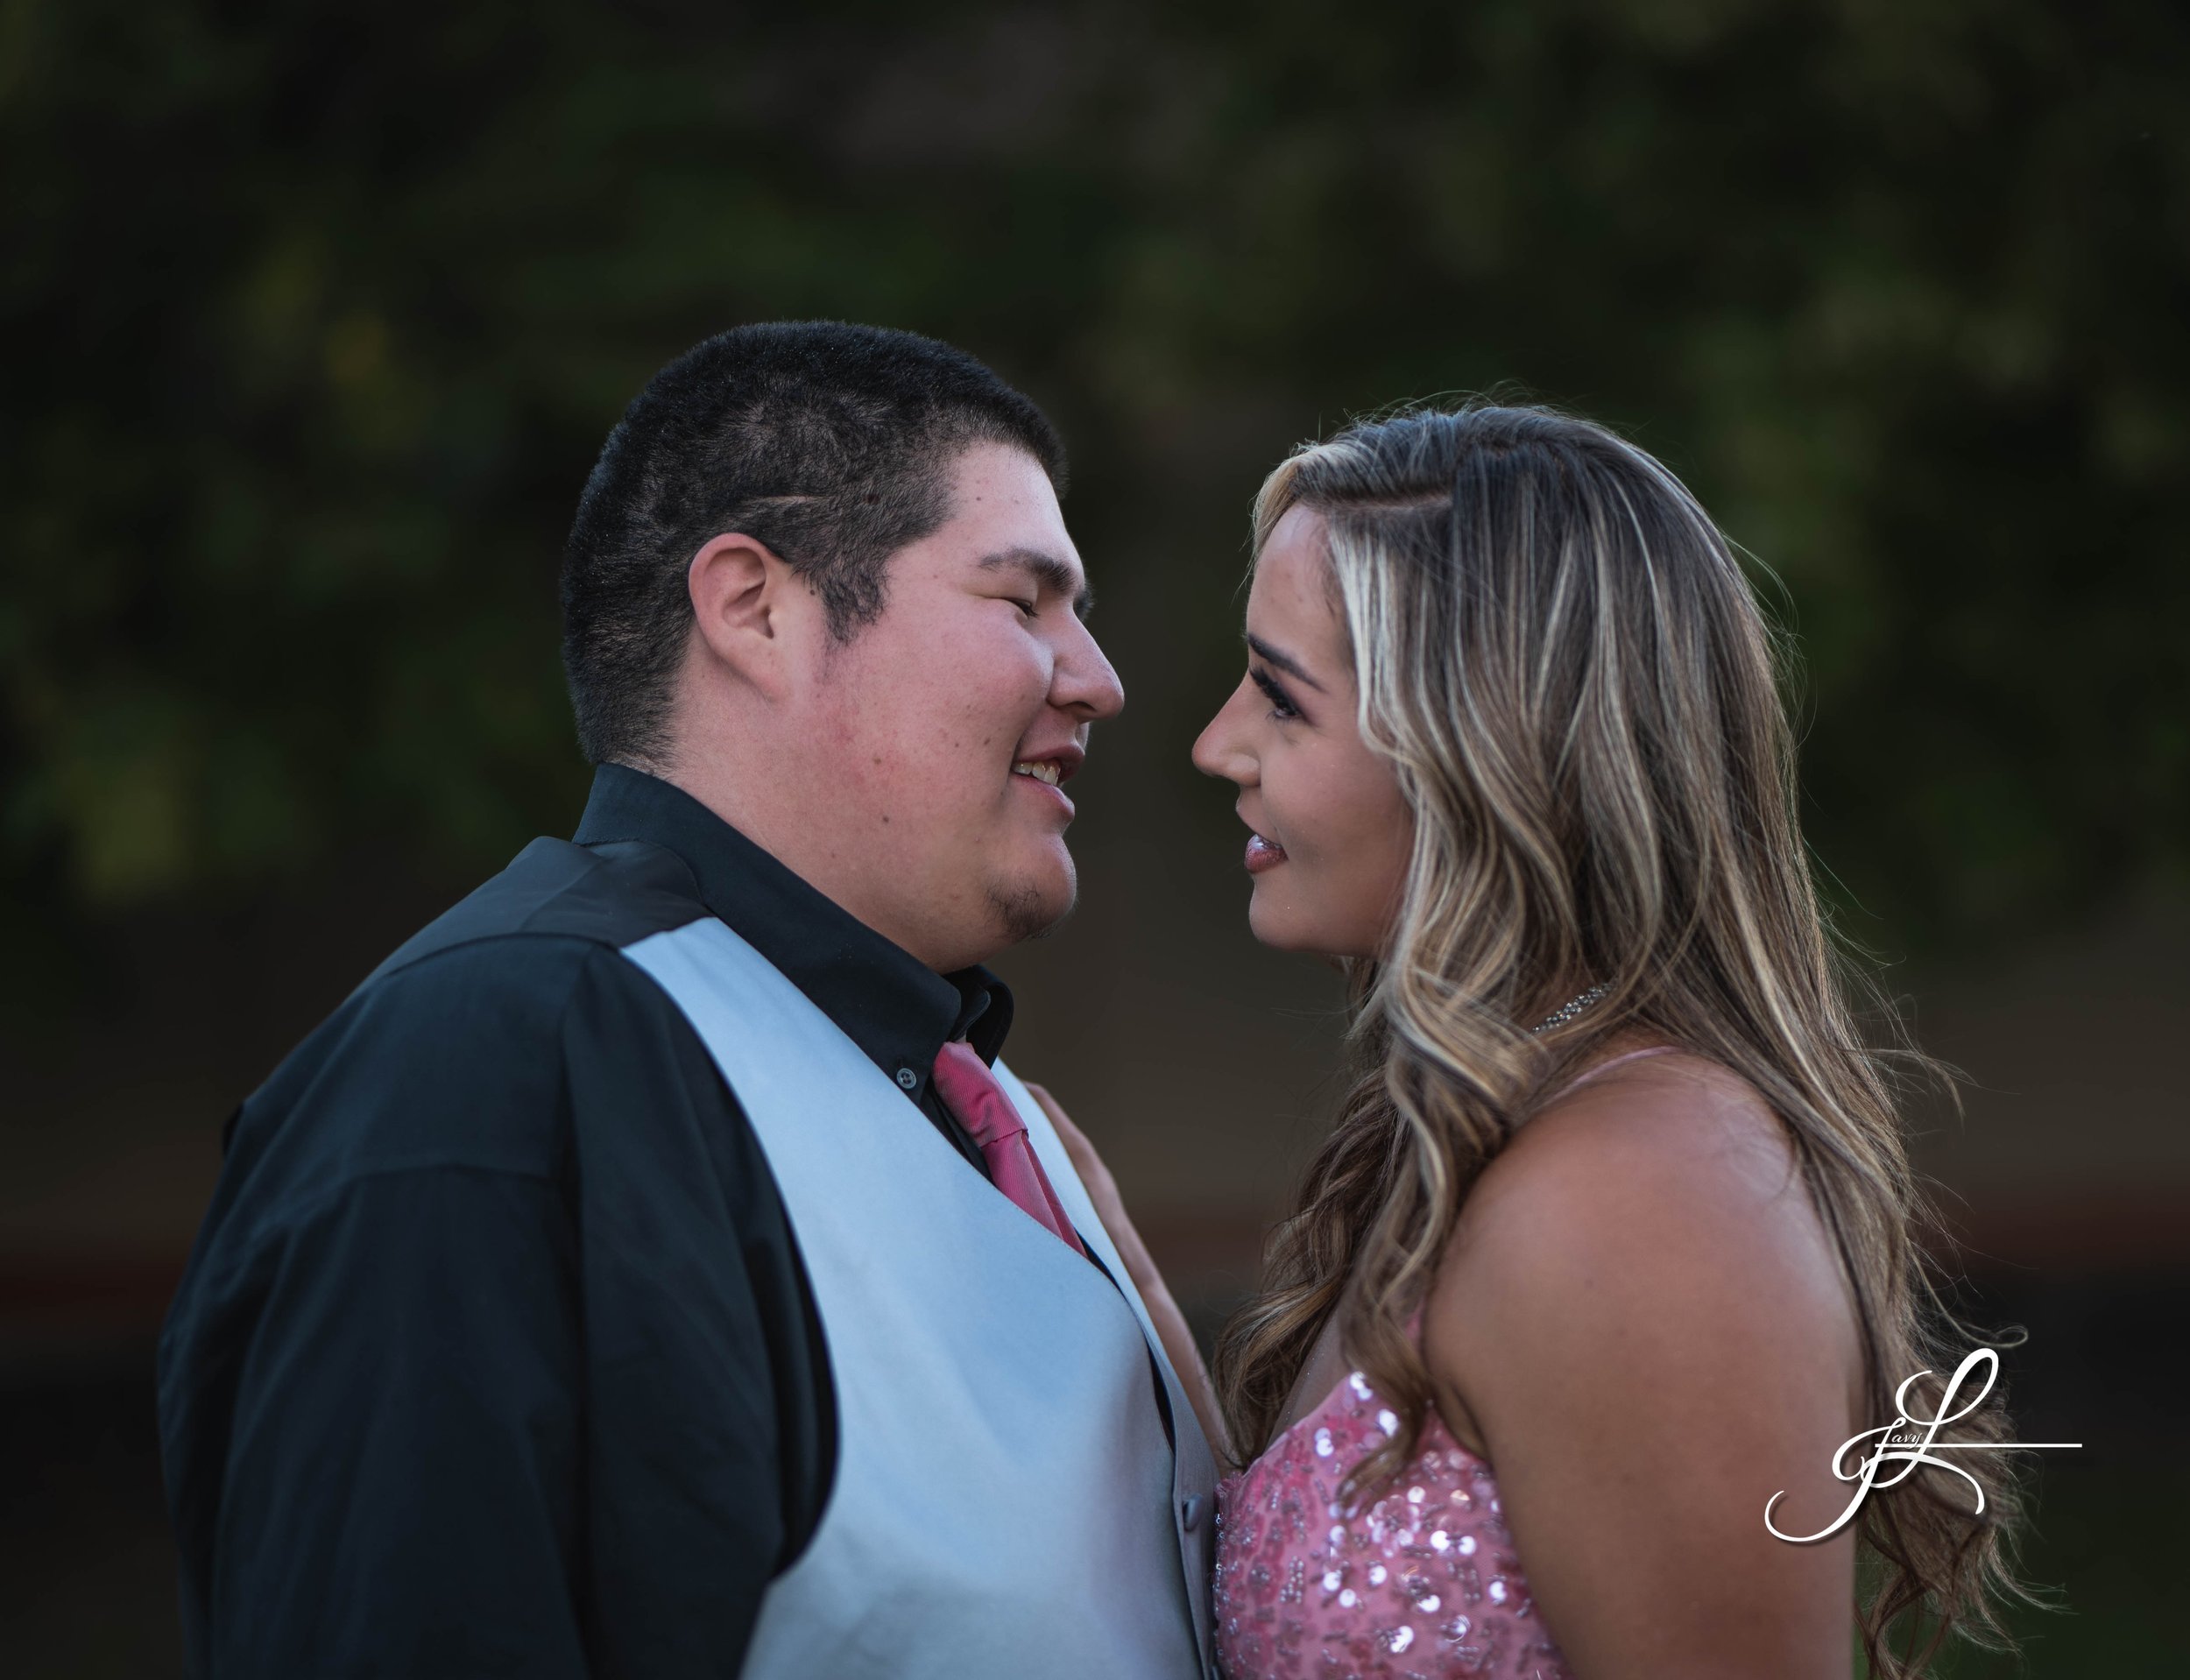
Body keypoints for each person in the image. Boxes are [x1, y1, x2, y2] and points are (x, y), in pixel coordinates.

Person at [157, 321, 1218, 1679]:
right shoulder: (483, 1074)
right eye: (1023, 601)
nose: (1099, 678)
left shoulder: (967, 1093)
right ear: (756, 609)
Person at [1037, 404, 2034, 1678]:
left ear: (1481, 746)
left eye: (1281, 698)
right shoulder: (1499, 1134)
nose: (1215, 743)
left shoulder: (1646, 1192)